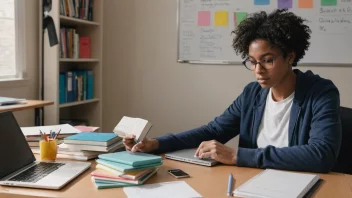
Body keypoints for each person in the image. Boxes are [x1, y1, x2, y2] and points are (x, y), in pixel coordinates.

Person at [123, 9, 341, 173]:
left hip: (297, 186)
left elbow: (321, 155)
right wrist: (157, 143)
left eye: (267, 61)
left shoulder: (320, 93)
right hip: (250, 183)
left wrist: (238, 155)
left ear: (291, 57)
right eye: (253, 62)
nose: (258, 70)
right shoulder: (252, 94)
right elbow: (213, 131)